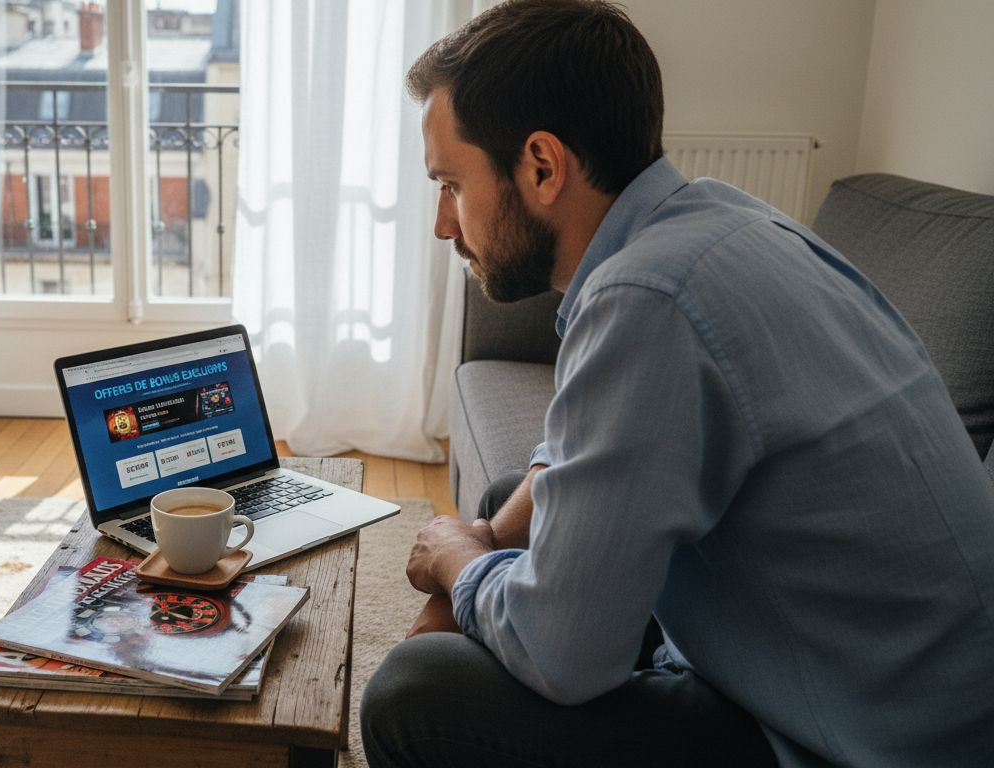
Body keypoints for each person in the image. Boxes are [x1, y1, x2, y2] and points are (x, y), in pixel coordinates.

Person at [359, 1, 994, 766]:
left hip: (861, 743)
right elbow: (572, 451)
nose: (443, 224)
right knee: (511, 507)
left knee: (414, 693)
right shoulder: (727, 222)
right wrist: (488, 540)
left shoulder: (648, 300)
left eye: (451, 185)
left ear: (542, 166)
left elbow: (560, 656)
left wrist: (457, 563)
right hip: (899, 692)